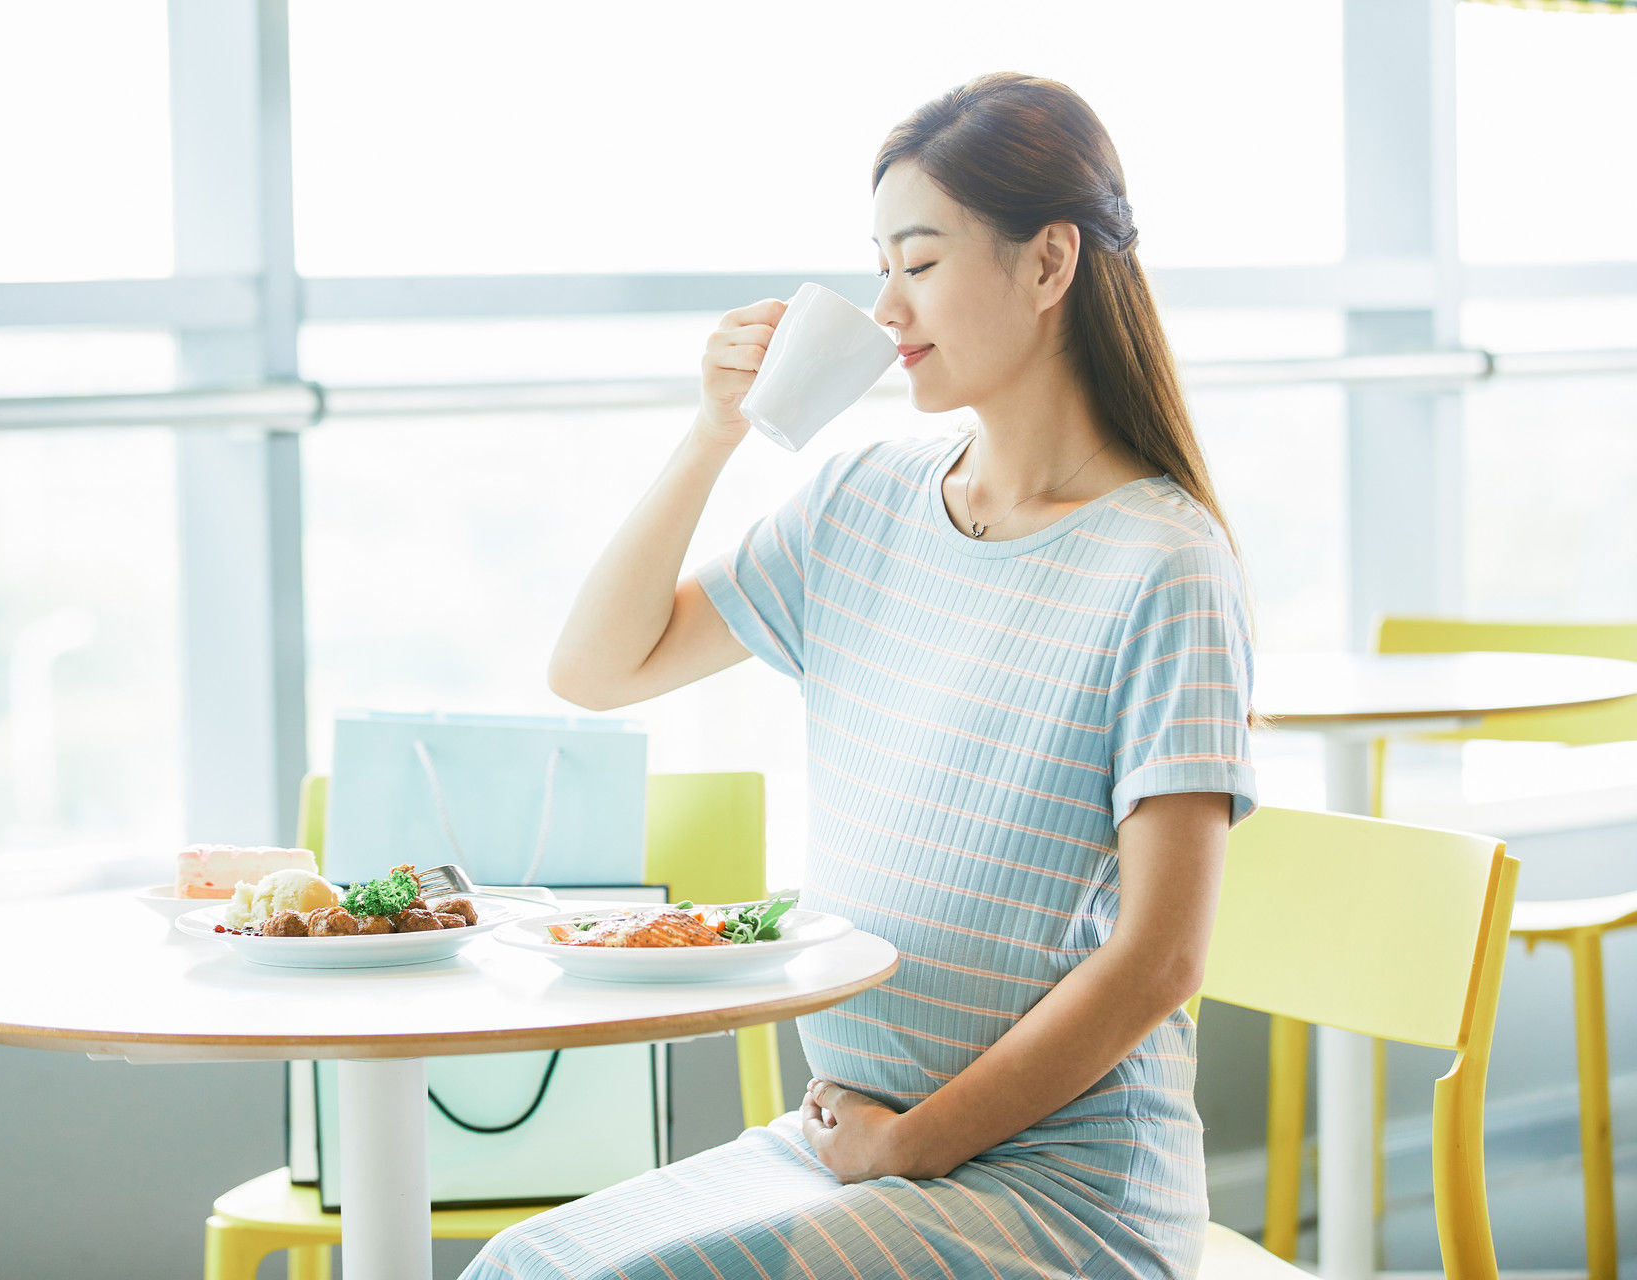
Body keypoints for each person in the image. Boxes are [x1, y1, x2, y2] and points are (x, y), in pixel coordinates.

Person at [496, 71, 1264, 1280]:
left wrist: (912, 1145)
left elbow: (1161, 960)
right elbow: (596, 668)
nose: (885, 307)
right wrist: (714, 433)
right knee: (523, 1264)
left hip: (1059, 1184)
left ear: (1049, 262)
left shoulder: (1164, 562)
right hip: (848, 1135)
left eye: (918, 261)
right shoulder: (864, 502)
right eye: (880, 264)